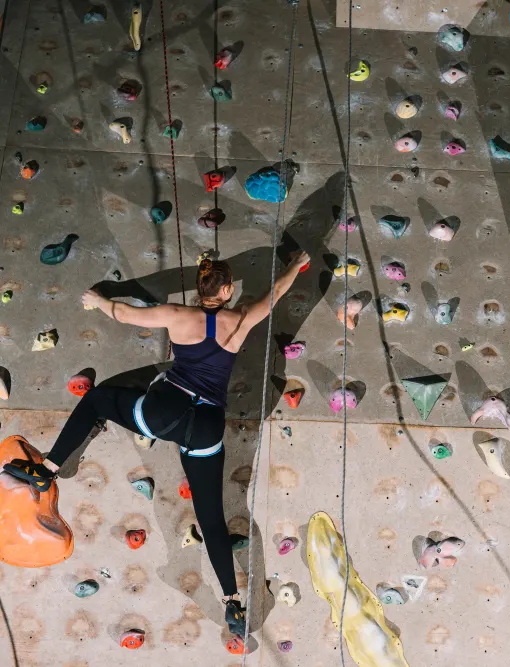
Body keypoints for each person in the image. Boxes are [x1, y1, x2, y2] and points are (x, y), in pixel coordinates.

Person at [2, 250, 310, 637]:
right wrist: (295, 265)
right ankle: (232, 601)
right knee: (211, 515)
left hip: (163, 412)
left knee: (98, 399)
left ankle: (46, 471)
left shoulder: (177, 315)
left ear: (199, 290)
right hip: (206, 429)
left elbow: (124, 314)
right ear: (229, 290)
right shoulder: (241, 318)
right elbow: (277, 291)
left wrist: (98, 301)